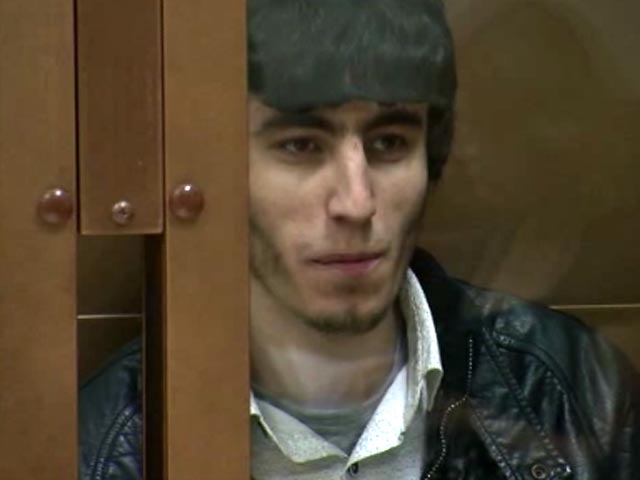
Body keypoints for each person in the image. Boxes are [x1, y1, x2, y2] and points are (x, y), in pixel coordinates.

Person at [79, 0, 640, 478]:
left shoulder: (571, 390)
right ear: (218, 171)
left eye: (389, 142)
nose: (356, 202)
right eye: (301, 145)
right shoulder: (106, 444)